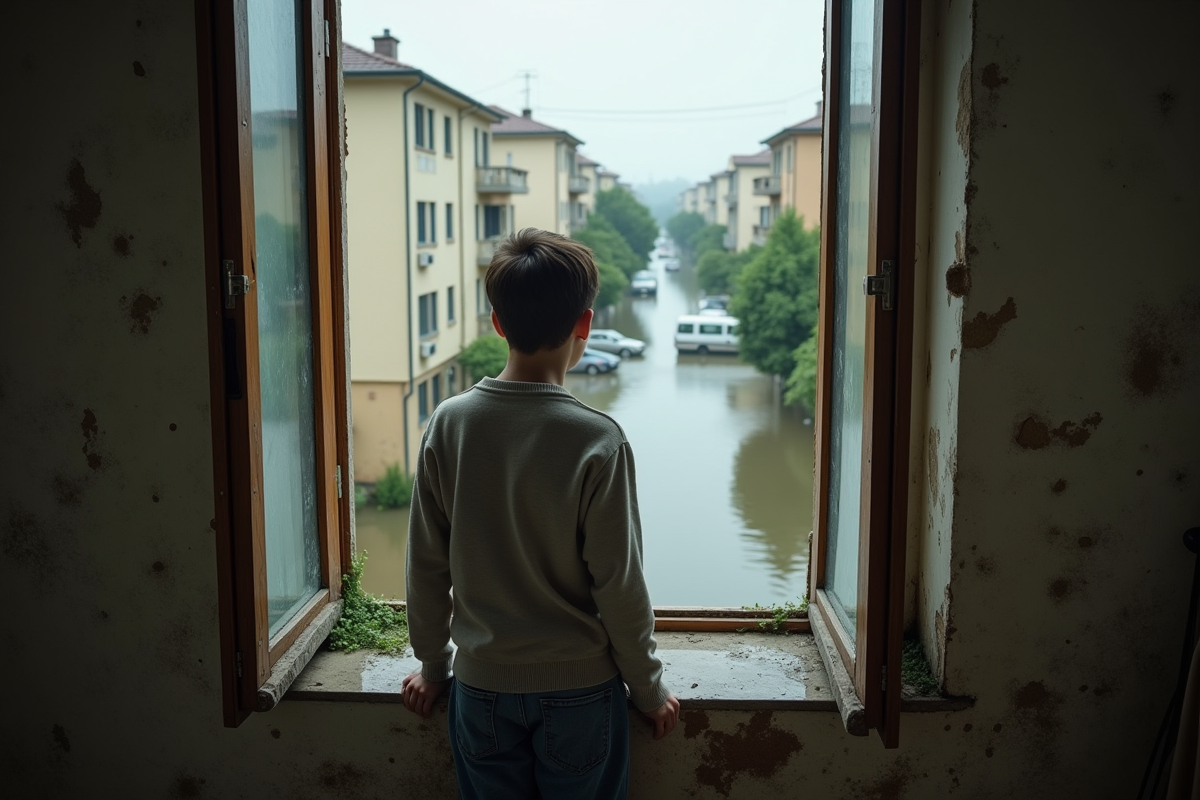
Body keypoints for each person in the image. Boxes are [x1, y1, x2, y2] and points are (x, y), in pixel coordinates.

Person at [400, 228, 679, 800]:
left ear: (498, 324)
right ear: (585, 324)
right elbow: (619, 585)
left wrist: (433, 668)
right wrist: (648, 691)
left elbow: (425, 568)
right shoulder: (599, 439)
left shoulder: (448, 425)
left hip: (479, 692)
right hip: (582, 692)